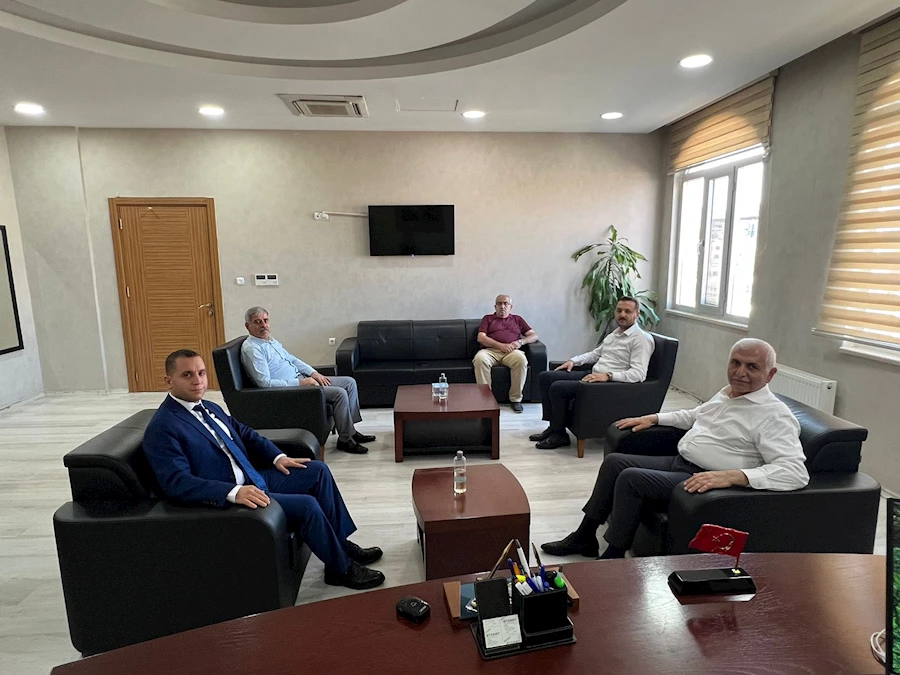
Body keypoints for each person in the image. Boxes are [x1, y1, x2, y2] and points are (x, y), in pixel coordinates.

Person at [541, 338, 809, 559]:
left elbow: (794, 472)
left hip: (702, 479)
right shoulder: (729, 393)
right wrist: (654, 418)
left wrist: (733, 476)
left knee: (631, 478)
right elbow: (696, 415)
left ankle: (614, 554)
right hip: (680, 462)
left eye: (752, 367)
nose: (740, 372)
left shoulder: (774, 415)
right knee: (615, 463)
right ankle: (584, 536)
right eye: (736, 363)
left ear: (770, 374)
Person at [143, 349, 385, 590]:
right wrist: (233, 492)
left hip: (252, 477)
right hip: (232, 496)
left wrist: (277, 456)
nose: (197, 381)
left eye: (201, 373)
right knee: (306, 505)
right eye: (187, 375)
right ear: (169, 381)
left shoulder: (208, 406)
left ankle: (340, 544)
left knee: (317, 471)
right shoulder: (164, 426)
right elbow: (177, 483)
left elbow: (246, 434)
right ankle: (340, 569)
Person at [241, 307, 375, 454]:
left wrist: (313, 373)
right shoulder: (252, 349)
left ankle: (350, 431)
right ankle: (345, 440)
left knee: (349, 383)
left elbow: (292, 359)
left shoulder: (270, 341)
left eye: (266, 320)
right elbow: (264, 383)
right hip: (289, 389)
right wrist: (301, 383)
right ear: (248, 326)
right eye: (257, 322)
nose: (263, 325)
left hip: (301, 379)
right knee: (339, 393)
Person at [530, 297, 654, 449]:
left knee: (558, 388)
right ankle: (555, 427)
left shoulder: (641, 339)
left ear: (637, 314)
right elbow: (595, 354)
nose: (622, 314)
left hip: (608, 385)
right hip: (593, 375)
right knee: (546, 377)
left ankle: (559, 436)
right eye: (619, 310)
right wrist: (573, 361)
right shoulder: (615, 333)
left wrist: (608, 376)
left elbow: (638, 374)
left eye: (627, 311)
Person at [473, 295, 539, 413]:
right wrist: (500, 346)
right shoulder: (488, 319)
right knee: (479, 359)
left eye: (505, 303)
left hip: (511, 352)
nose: (502, 306)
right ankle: (486, 400)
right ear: (495, 306)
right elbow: (481, 338)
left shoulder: (517, 319)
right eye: (499, 303)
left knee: (521, 359)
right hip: (491, 351)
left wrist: (520, 342)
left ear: (510, 307)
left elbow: (534, 336)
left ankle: (515, 399)